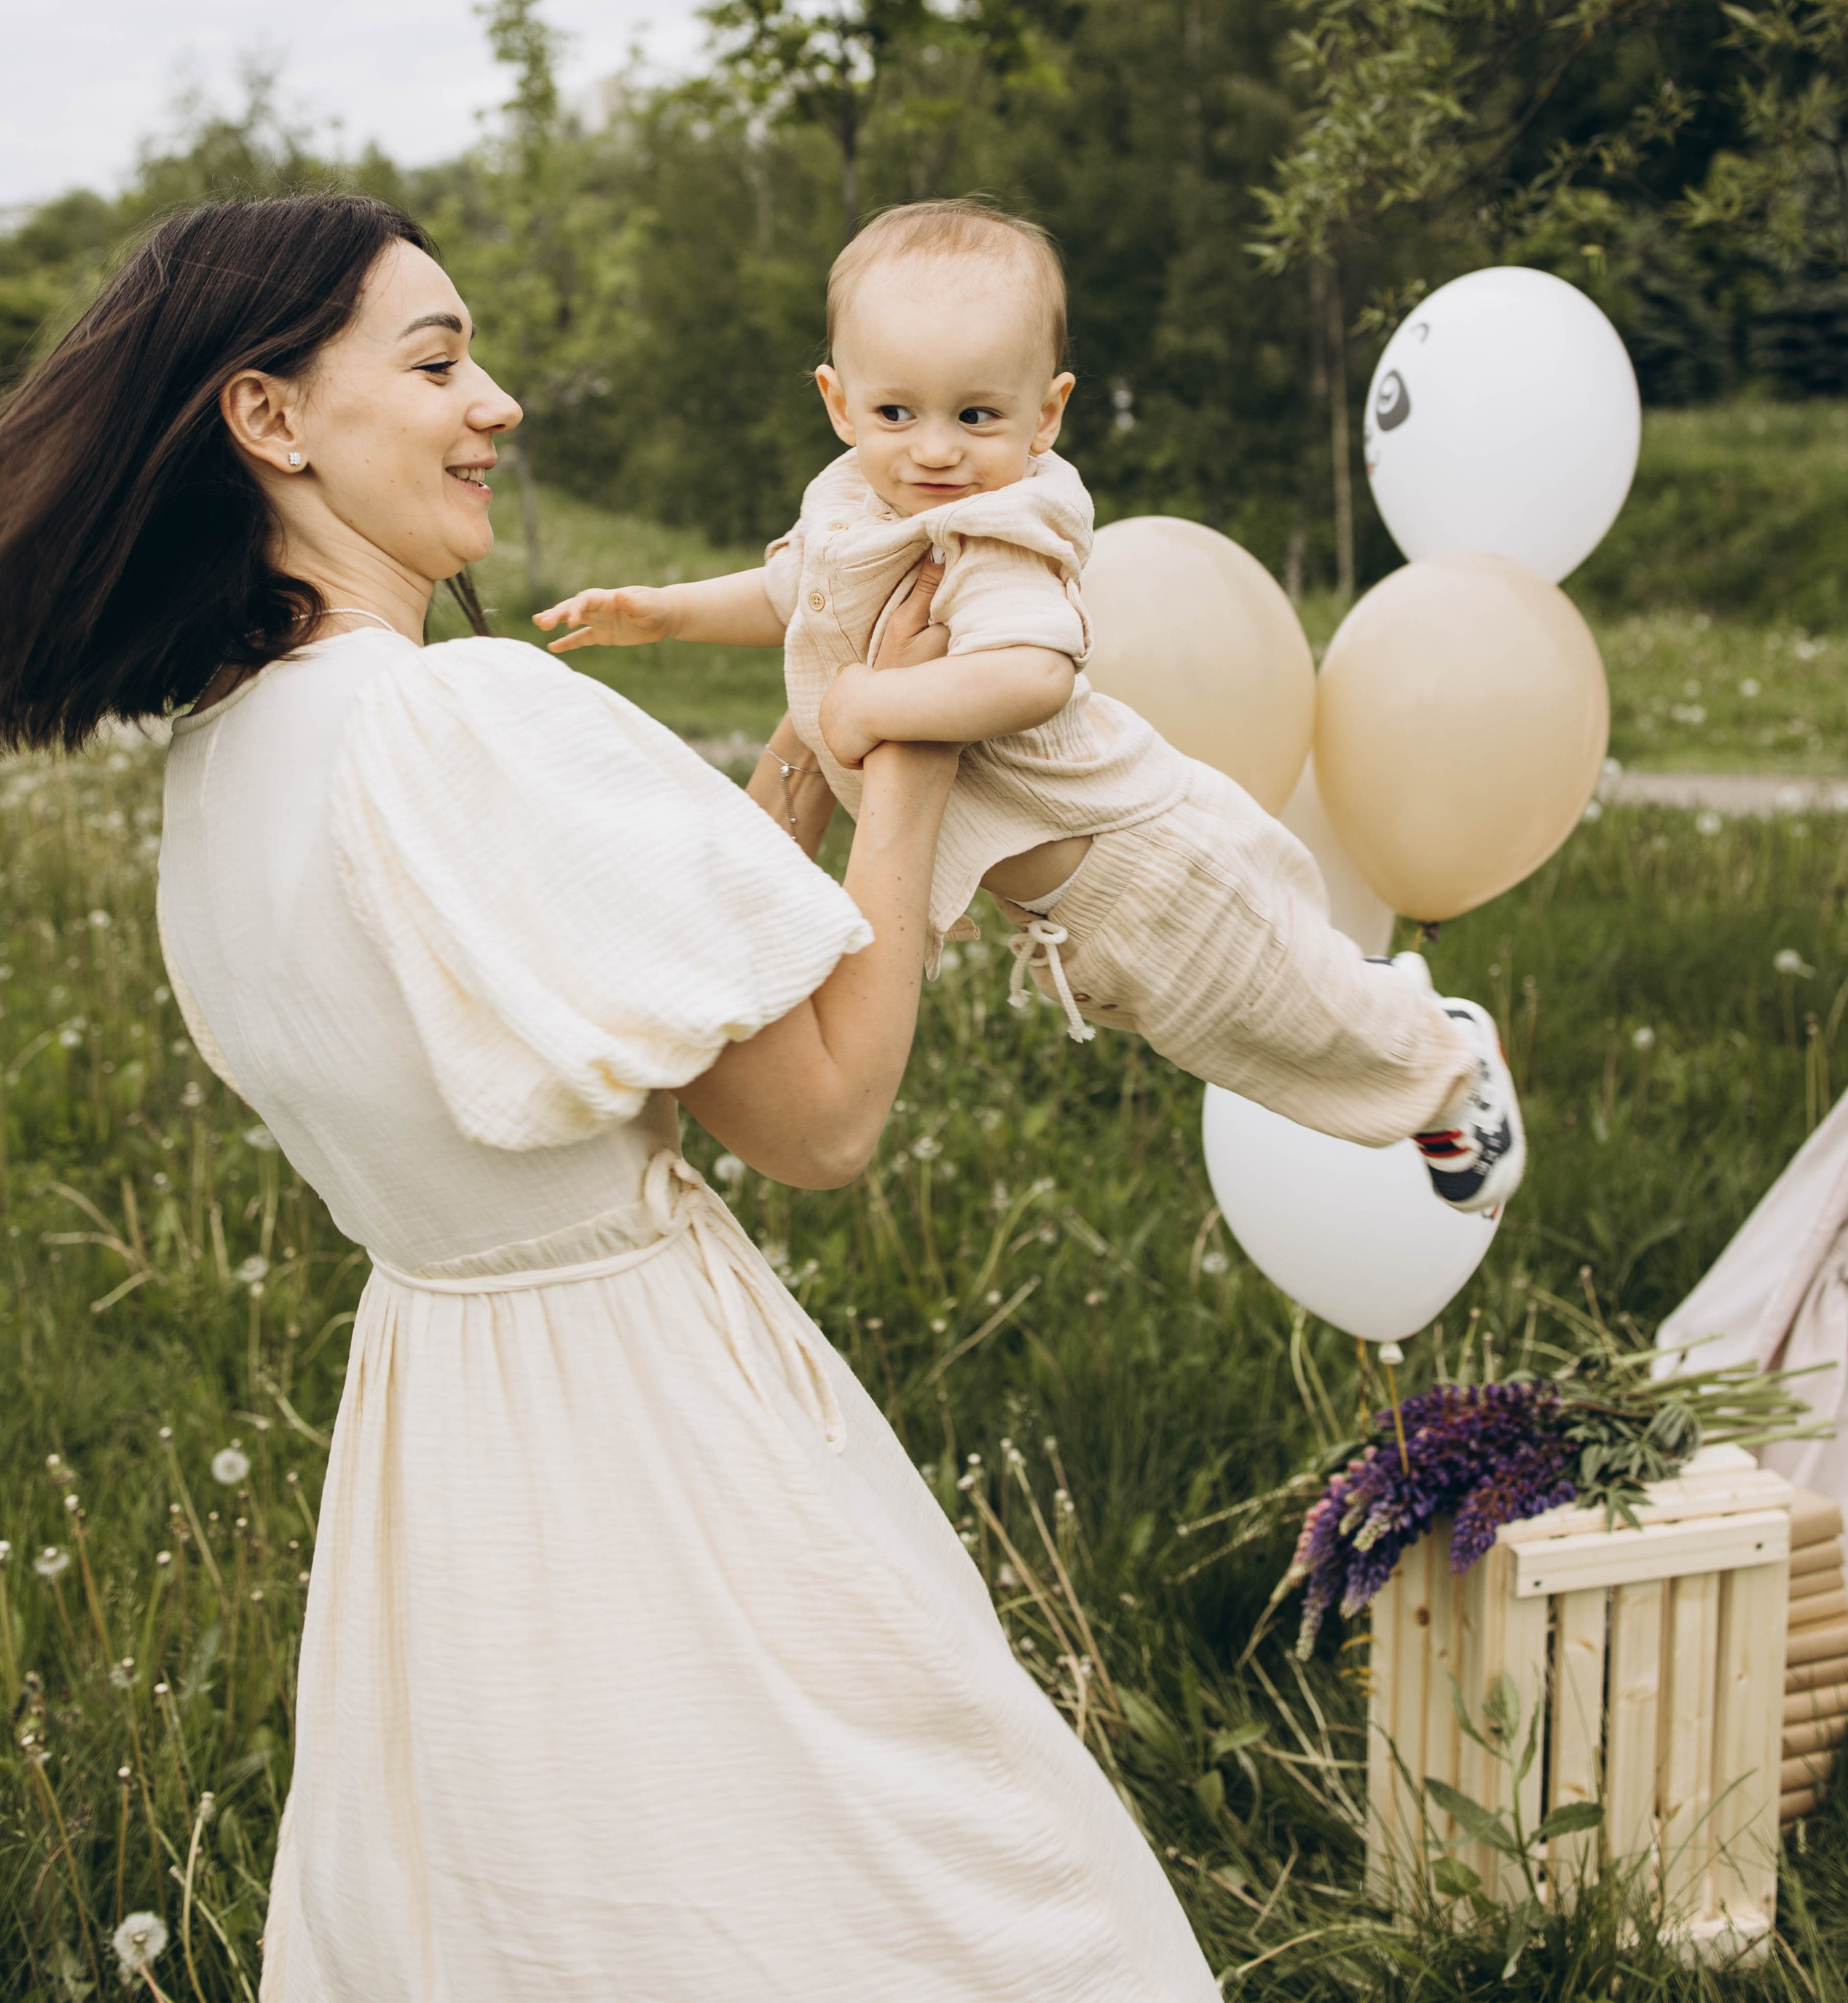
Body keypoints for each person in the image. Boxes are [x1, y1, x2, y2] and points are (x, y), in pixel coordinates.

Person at [0, 194, 1221, 2002]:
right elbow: (817, 1119)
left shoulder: (228, 764)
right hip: (656, 1424)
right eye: (435, 363)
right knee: (975, 1918)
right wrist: (910, 738)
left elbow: (598, 951)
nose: (493, 402)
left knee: (550, 1908)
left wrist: (799, 758)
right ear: (270, 421)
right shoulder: (457, 716)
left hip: (450, 1444)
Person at [540, 198, 1524, 1213]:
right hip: (1074, 905)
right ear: (839, 403)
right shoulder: (856, 508)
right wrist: (663, 613)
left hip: (1144, 867)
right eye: (896, 414)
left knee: (1277, 1015)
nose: (934, 451)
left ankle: (1447, 1068)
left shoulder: (998, 538)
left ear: (1044, 414)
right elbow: (793, 596)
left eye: (975, 416)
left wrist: (872, 701)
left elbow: (1026, 676)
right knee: (1248, 1028)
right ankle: (1381, 998)